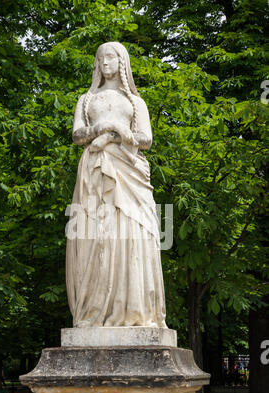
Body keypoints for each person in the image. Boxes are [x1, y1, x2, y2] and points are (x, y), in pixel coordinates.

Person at [66, 41, 167, 328]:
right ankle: (96, 310)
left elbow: (145, 138)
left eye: (110, 57)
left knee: (133, 236)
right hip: (95, 172)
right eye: (100, 58)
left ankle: (135, 309)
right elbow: (77, 134)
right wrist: (99, 129)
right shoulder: (86, 101)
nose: (104, 62)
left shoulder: (136, 102)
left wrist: (118, 133)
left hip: (129, 173)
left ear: (122, 62)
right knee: (97, 238)